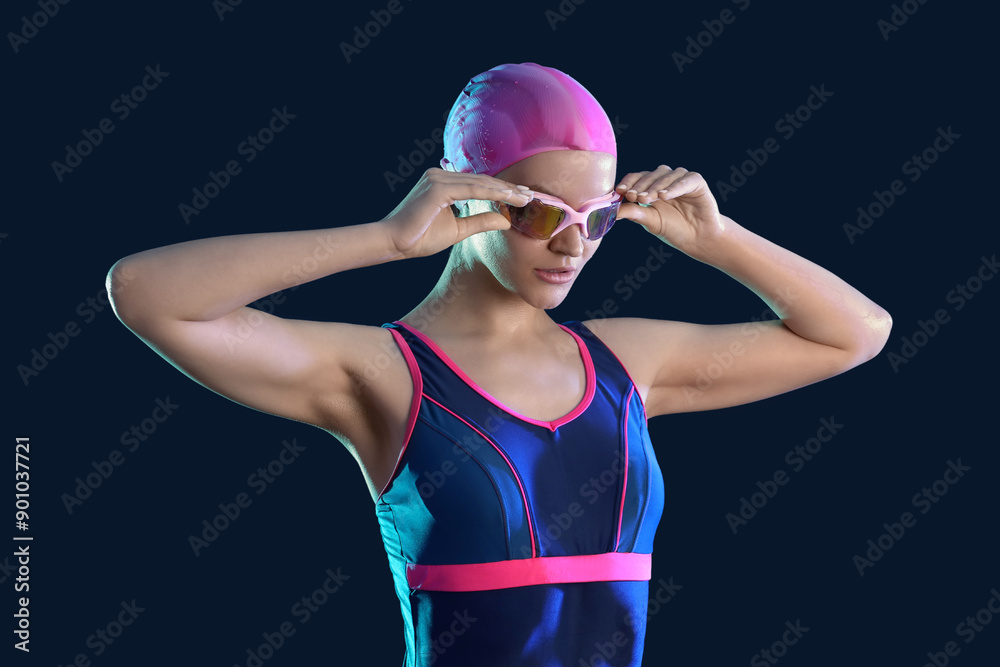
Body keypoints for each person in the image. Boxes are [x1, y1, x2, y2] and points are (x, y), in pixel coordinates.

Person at [108, 62, 892, 666]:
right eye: (539, 212)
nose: (572, 245)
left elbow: (855, 333)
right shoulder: (384, 373)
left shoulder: (627, 363)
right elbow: (147, 294)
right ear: (467, 191)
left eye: (597, 218)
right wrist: (386, 239)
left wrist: (718, 239)